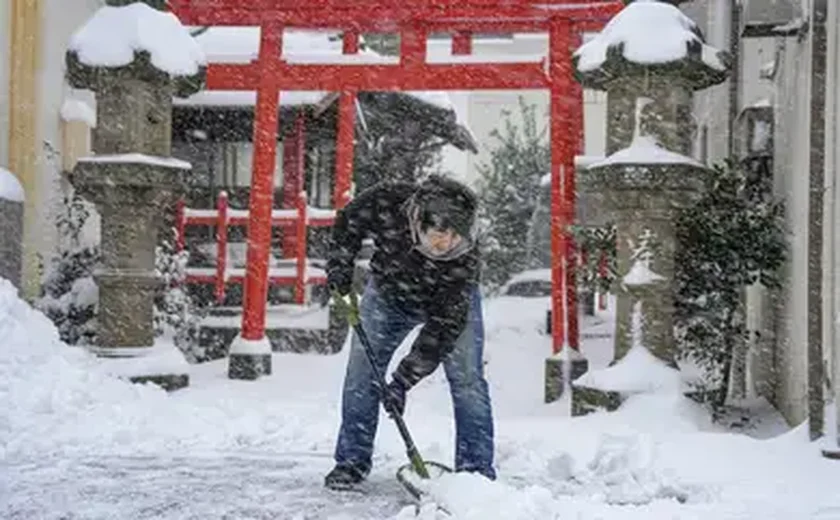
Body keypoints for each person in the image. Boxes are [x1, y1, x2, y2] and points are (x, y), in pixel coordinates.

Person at [323, 174, 496, 489]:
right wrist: (340, 264)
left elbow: (441, 331)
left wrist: (402, 381)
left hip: (443, 302)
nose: (446, 245)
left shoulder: (463, 265)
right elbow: (348, 222)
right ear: (417, 221)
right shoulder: (388, 201)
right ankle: (351, 461)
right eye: (438, 235)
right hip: (389, 296)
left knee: (467, 380)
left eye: (455, 237)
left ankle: (476, 473)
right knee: (362, 373)